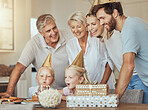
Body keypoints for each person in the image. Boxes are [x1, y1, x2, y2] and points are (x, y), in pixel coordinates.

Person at [0, 14, 72, 98]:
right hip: (46, 93)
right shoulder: (34, 44)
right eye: (48, 31)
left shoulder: (69, 35)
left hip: (68, 91)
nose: (53, 32)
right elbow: (19, 68)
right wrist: (9, 92)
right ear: (41, 33)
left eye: (54, 28)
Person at [92, 2, 148, 103]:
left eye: (103, 18)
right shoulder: (134, 22)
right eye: (99, 19)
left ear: (115, 13)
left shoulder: (129, 28)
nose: (101, 23)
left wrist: (114, 99)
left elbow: (128, 66)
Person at [66, 11, 115, 89]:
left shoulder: (98, 39)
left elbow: (109, 63)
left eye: (79, 26)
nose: (76, 30)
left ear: (86, 26)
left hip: (104, 85)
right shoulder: (70, 44)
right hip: (84, 90)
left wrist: (101, 85)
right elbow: (74, 70)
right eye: (72, 27)